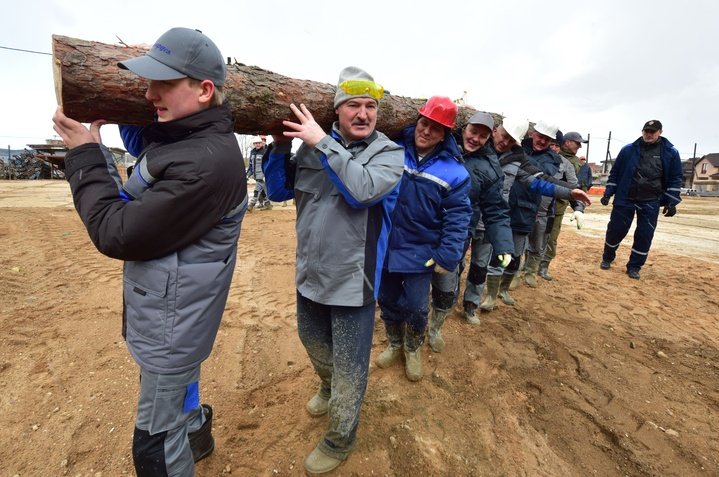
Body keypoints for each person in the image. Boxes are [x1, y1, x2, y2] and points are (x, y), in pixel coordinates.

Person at [52, 27, 247, 476]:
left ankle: (184, 439)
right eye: (147, 80)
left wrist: (82, 155)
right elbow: (144, 167)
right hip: (173, 314)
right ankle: (196, 433)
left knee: (155, 448)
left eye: (163, 83)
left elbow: (114, 231)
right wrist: (107, 141)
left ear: (204, 90)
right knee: (180, 391)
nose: (147, 92)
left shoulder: (204, 164)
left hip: (173, 325)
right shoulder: (186, 142)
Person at [262, 66, 404, 474]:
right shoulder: (312, 144)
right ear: (338, 110)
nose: (363, 114)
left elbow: (362, 192)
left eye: (370, 107)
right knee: (310, 338)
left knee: (350, 364)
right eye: (354, 105)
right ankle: (327, 385)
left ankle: (340, 438)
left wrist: (323, 142)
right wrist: (277, 147)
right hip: (310, 270)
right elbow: (277, 193)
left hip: (353, 278)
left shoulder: (389, 153)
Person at [376, 96, 471, 379]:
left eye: (436, 128)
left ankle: (412, 348)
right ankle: (395, 344)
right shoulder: (391, 151)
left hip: (422, 253)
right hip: (387, 247)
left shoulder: (455, 172)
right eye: (424, 123)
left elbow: (458, 217)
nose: (426, 131)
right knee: (388, 301)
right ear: (416, 122)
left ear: (445, 135)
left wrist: (448, 255)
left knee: (417, 308)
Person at [479, 119, 591, 311]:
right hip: (503, 210)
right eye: (540, 136)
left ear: (553, 142)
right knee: (496, 253)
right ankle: (490, 295)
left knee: (516, 254)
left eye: (547, 139)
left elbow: (547, 182)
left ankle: (504, 289)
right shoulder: (516, 147)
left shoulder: (555, 161)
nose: (542, 141)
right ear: (532, 134)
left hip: (527, 209)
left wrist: (577, 204)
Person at [429, 111, 513, 340]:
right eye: (473, 131)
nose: (476, 139)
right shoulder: (440, 143)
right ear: (464, 128)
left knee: (447, 281)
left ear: (489, 138)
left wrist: (504, 245)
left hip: (459, 232)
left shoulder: (490, 168)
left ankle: (436, 327)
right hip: (425, 225)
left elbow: (496, 210)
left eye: (483, 136)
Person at [600, 120, 682, 279]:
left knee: (645, 234)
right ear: (642, 131)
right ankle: (607, 257)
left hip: (651, 200)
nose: (648, 134)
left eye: (652, 131)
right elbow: (615, 173)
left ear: (660, 132)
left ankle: (634, 266)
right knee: (615, 229)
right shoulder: (628, 150)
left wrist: (672, 201)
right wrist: (608, 193)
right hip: (625, 197)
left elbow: (675, 177)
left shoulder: (671, 152)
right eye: (646, 131)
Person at [522, 121, 583, 288]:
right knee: (519, 242)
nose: (553, 147)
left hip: (546, 210)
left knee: (540, 242)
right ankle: (514, 272)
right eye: (552, 143)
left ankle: (531, 272)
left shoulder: (564, 163)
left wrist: (578, 207)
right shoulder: (523, 153)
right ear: (532, 135)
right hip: (522, 207)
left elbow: (572, 186)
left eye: (555, 143)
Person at [540, 131, 588, 280]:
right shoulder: (543, 157)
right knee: (535, 235)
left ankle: (543, 266)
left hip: (558, 206)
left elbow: (580, 188)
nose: (579, 146)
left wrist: (579, 208)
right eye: (577, 142)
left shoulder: (578, 165)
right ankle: (530, 264)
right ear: (566, 142)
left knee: (551, 238)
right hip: (538, 204)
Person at [246, 136, 270, 211]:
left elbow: (268, 164)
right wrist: (247, 175)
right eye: (256, 143)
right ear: (254, 144)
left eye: (259, 143)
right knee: (263, 190)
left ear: (262, 143)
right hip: (256, 176)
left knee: (256, 190)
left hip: (262, 175)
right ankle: (268, 204)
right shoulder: (252, 152)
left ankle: (251, 205)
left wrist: (266, 174)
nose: (258, 144)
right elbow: (251, 165)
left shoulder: (265, 152)